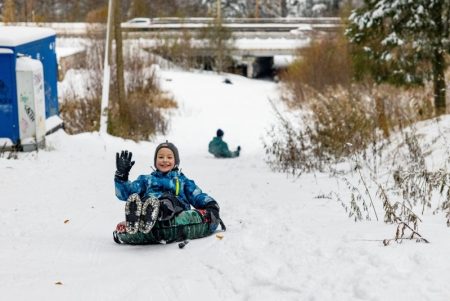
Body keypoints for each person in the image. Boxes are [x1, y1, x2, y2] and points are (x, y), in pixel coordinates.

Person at [114, 141, 223, 238]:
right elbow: (127, 193)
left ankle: (157, 211)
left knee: (168, 201)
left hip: (175, 207)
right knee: (144, 199)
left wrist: (211, 204)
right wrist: (121, 177)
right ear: (155, 160)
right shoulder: (146, 180)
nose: (165, 160)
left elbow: (197, 195)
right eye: (160, 157)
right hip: (149, 202)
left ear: (176, 161)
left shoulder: (182, 181)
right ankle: (139, 213)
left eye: (169, 157)